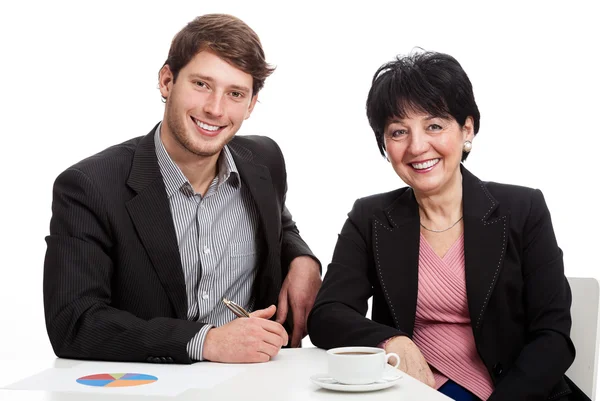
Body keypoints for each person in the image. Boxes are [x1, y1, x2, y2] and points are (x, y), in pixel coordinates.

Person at [307, 51, 589, 400]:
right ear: (384, 142)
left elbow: (553, 337)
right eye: (398, 131)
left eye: (434, 126)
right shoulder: (371, 217)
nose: (417, 146)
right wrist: (392, 340)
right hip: (413, 391)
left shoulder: (523, 209)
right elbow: (327, 315)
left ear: (466, 129)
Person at [43, 14, 322, 365]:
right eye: (202, 84)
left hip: (255, 382)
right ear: (166, 80)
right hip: (149, 387)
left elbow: (279, 224)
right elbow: (74, 322)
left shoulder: (264, 161)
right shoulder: (89, 186)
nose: (215, 109)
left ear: (251, 105)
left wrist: (303, 259)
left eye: (235, 93)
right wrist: (206, 342)